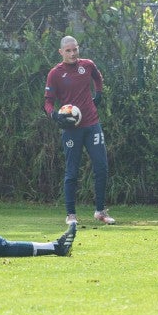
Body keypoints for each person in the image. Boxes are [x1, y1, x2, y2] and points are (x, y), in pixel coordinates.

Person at [44, 35, 115, 225]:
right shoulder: (55, 74)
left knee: (101, 167)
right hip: (71, 129)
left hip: (92, 124)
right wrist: (54, 115)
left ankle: (100, 211)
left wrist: (98, 94)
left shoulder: (88, 65)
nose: (72, 53)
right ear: (61, 52)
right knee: (72, 172)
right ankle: (71, 215)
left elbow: (98, 79)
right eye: (68, 50)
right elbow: (48, 102)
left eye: (75, 49)